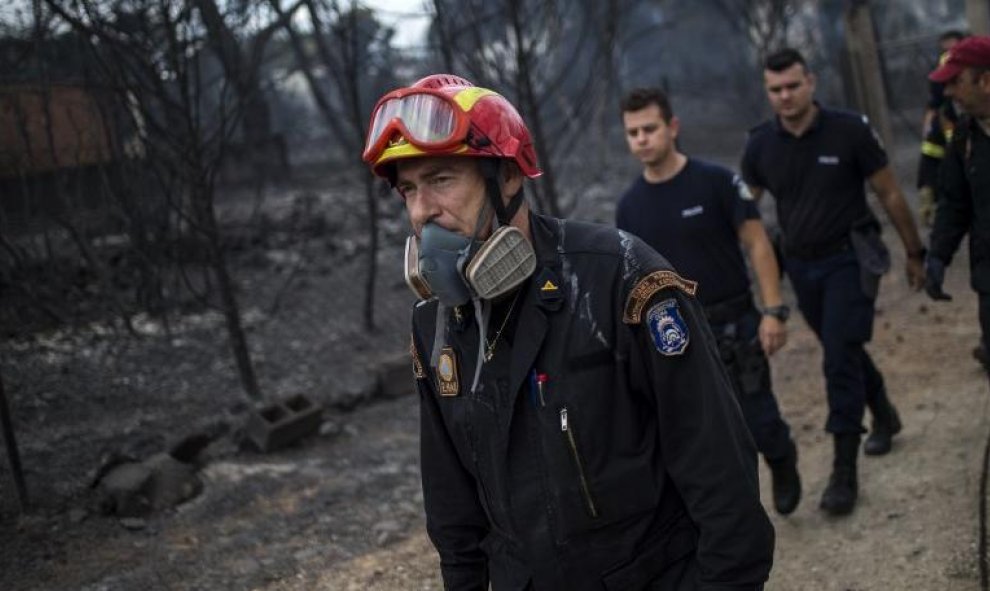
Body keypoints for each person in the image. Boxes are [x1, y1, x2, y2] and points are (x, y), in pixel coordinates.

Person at [363, 73, 774, 589]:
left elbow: (718, 468)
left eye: (442, 180)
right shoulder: (436, 324)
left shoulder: (622, 279)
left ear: (508, 176)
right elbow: (452, 507)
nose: (423, 211)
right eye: (408, 190)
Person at [740, 48, 927, 516]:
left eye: (792, 86)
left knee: (838, 360)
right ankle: (884, 411)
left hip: (850, 259)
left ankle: (844, 471)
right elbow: (743, 210)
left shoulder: (849, 130)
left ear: (812, 82)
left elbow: (888, 192)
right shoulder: (761, 145)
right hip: (801, 267)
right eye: (775, 89)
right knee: (843, 350)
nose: (784, 96)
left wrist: (914, 251)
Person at [616, 87, 801, 516]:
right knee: (705, 436)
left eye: (650, 129)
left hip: (735, 323)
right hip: (675, 335)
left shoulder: (716, 181)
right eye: (633, 132)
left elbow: (757, 244)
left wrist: (773, 311)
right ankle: (736, 515)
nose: (642, 139)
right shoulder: (629, 207)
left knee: (760, 420)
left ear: (672, 127)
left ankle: (781, 457)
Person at [925, 36, 990, 373]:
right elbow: (954, 204)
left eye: (956, 81)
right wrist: (938, 256)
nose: (948, 92)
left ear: (986, 80)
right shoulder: (964, 137)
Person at [916, 31, 966, 226]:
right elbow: (930, 154)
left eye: (956, 82)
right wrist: (927, 189)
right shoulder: (943, 118)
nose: (949, 90)